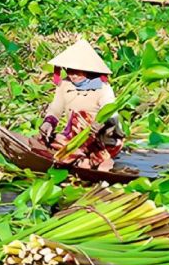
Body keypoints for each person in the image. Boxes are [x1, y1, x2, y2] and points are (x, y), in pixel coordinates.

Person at [37, 39, 124, 171]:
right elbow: (56, 108)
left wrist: (100, 122)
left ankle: (91, 159)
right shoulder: (64, 85)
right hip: (74, 137)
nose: (73, 76)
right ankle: (77, 156)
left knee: (82, 118)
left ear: (88, 70)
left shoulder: (102, 88)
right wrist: (49, 122)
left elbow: (111, 112)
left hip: (100, 139)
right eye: (70, 71)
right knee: (41, 139)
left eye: (78, 71)